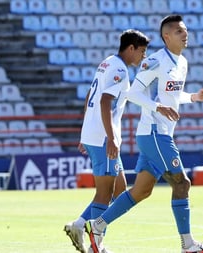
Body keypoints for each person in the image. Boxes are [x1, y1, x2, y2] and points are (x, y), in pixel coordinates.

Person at [84, 15, 203, 253]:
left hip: (161, 133)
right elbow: (133, 94)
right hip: (154, 133)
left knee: (141, 191)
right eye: (179, 31)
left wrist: (194, 97)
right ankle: (188, 245)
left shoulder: (182, 63)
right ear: (166, 36)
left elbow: (173, 98)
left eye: (185, 30)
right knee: (182, 182)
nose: (184, 34)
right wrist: (159, 108)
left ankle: (97, 226)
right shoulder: (155, 62)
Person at [64, 29, 150, 253]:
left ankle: (80, 225)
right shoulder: (119, 69)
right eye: (141, 51)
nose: (143, 56)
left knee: (119, 189)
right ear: (130, 48)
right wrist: (110, 138)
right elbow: (104, 101)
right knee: (105, 192)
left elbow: (90, 95)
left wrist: (87, 131)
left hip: (97, 134)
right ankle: (97, 246)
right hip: (104, 137)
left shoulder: (107, 63)